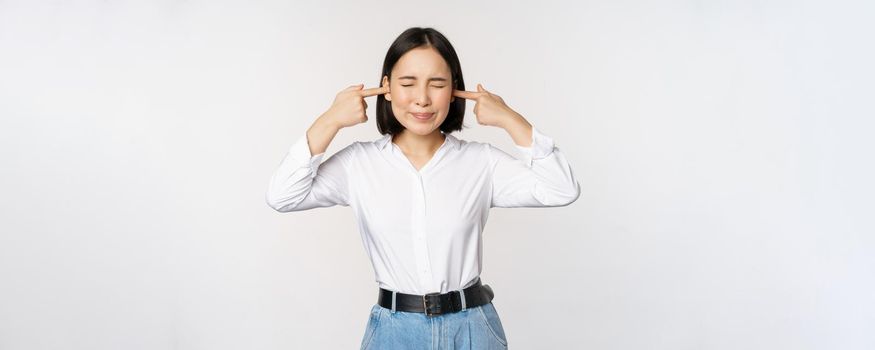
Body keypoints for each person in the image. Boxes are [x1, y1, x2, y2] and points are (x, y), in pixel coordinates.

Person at [265, 27, 580, 349]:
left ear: (455, 90)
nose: (422, 99)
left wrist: (511, 119)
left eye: (437, 84)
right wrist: (329, 120)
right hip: (393, 332)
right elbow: (283, 196)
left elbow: (561, 189)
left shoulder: (480, 162)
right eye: (407, 83)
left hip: (472, 329)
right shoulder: (359, 163)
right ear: (386, 87)